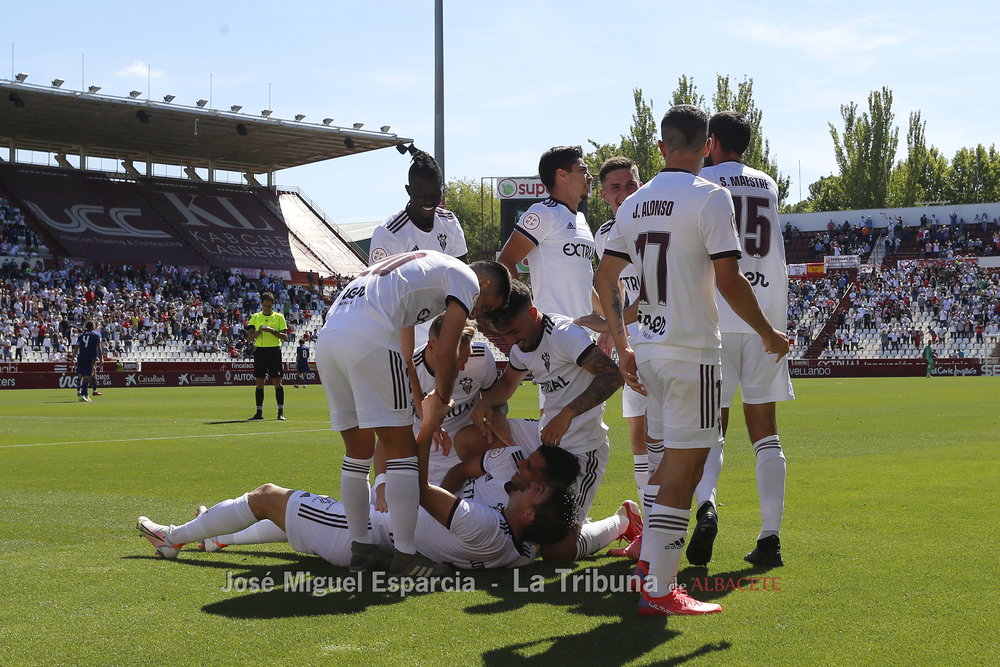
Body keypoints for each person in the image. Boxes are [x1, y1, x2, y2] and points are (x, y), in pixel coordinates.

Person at [595, 105, 788, 617]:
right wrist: (769, 333)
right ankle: (660, 589)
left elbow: (604, 280)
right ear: (706, 146)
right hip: (693, 349)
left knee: (668, 461)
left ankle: (649, 569)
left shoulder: (632, 204)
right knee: (688, 462)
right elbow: (729, 280)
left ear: (660, 147)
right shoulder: (710, 196)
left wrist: (623, 341)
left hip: (649, 348)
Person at [136, 405, 576, 570]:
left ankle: (171, 538)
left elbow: (419, 485)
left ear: (531, 515)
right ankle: (218, 537)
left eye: (538, 492)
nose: (530, 486)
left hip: (365, 534)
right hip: (382, 533)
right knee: (297, 514)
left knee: (267, 495)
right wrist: (616, 523)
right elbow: (580, 538)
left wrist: (427, 423)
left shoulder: (485, 526)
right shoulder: (522, 552)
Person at [316, 251, 510, 577]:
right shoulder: (464, 278)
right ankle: (406, 557)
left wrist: (422, 405)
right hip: (370, 336)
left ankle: (361, 548)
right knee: (402, 453)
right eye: (486, 304)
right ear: (484, 282)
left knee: (357, 452)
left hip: (330, 336)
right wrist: (440, 407)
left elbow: (407, 352)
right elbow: (446, 350)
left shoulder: (418, 270)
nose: (478, 311)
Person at [690, 111, 796, 568]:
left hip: (715, 315)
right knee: (766, 436)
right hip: (765, 319)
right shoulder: (768, 184)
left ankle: (707, 505)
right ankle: (770, 538)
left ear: (710, 141)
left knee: (710, 431)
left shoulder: (701, 182)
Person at [472, 281, 625, 561]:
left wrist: (567, 414)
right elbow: (506, 385)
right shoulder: (521, 346)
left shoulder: (565, 335)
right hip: (545, 442)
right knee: (470, 436)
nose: (511, 342)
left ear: (532, 314)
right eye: (505, 335)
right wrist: (488, 407)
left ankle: (623, 521)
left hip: (581, 449)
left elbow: (613, 376)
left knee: (558, 554)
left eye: (514, 332)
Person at [496, 145, 596, 321]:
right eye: (583, 171)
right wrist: (526, 310)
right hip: (553, 331)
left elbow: (584, 284)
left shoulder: (581, 219)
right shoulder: (543, 212)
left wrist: (613, 321)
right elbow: (506, 261)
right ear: (562, 175)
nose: (590, 177)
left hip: (583, 333)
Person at [403, 314, 498, 485]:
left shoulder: (482, 358)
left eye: (466, 359)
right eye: (457, 360)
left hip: (467, 459)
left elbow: (498, 402)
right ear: (432, 346)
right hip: (420, 461)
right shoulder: (409, 370)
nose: (462, 367)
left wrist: (495, 412)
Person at [368, 150, 468, 265]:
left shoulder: (450, 221)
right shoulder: (389, 233)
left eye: (435, 194)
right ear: (408, 191)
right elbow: (380, 280)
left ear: (442, 190)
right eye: (422, 195)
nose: (429, 201)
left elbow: (462, 270)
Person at [246, 292, 288, 421]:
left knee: (277, 382)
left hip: (274, 351)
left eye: (269, 306)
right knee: (259, 382)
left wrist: (273, 331)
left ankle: (280, 412)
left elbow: (285, 337)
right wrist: (260, 331)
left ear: (272, 305)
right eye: (265, 305)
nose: (267, 308)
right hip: (260, 352)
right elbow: (249, 337)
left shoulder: (279, 317)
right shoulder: (255, 317)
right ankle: (259, 413)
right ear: (262, 305)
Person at [75, 321, 103, 403]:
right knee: (87, 377)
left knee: (84, 376)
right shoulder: (96, 335)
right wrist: (101, 359)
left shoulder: (81, 336)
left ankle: (86, 395)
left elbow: (76, 347)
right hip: (90, 358)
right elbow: (99, 347)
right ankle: (82, 395)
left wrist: (73, 358)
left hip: (80, 357)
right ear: (93, 327)